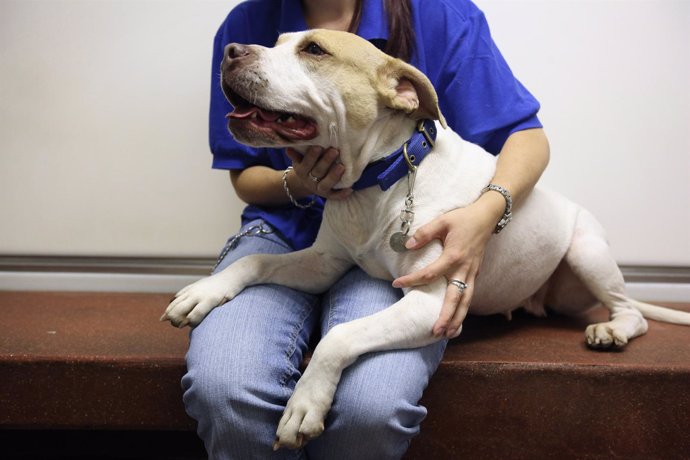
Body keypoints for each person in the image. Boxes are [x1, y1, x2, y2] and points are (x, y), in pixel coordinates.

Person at [182, 0, 550, 458]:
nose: (252, 53)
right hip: (286, 233)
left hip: (393, 242)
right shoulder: (246, 21)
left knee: (367, 411)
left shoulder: (440, 15)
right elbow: (246, 179)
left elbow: (527, 138)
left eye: (311, 51)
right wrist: (300, 181)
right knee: (224, 389)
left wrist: (483, 215)